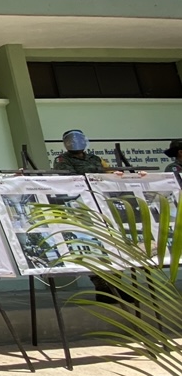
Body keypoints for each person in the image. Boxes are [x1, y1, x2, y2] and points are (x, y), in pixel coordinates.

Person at [52, 129, 124, 303]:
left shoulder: (95, 159)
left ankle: (118, 287)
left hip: (101, 204)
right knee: (93, 245)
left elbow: (106, 175)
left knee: (112, 245)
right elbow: (69, 180)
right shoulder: (62, 160)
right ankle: (102, 287)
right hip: (81, 206)